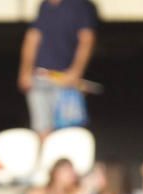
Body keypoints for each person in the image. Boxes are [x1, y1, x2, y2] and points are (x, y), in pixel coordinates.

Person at [18, 0, 97, 136]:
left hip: (63, 80)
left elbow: (87, 39)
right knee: (42, 129)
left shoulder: (80, 6)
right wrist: (25, 72)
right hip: (40, 77)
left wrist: (75, 72)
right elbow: (32, 38)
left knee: (68, 130)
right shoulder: (44, 6)